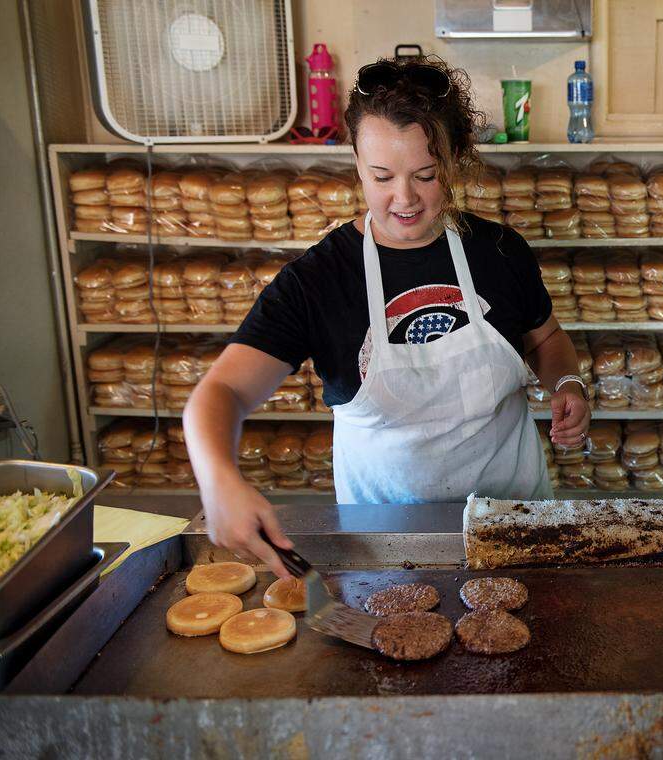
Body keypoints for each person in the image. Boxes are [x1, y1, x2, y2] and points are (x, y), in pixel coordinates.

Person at [185, 56, 590, 576]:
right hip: (383, 541)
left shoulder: (499, 251)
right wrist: (219, 481)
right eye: (381, 176)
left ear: (457, 159)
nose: (404, 198)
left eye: (426, 174)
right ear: (356, 162)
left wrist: (569, 383)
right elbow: (221, 393)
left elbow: (547, 338)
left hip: (513, 519)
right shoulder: (320, 279)